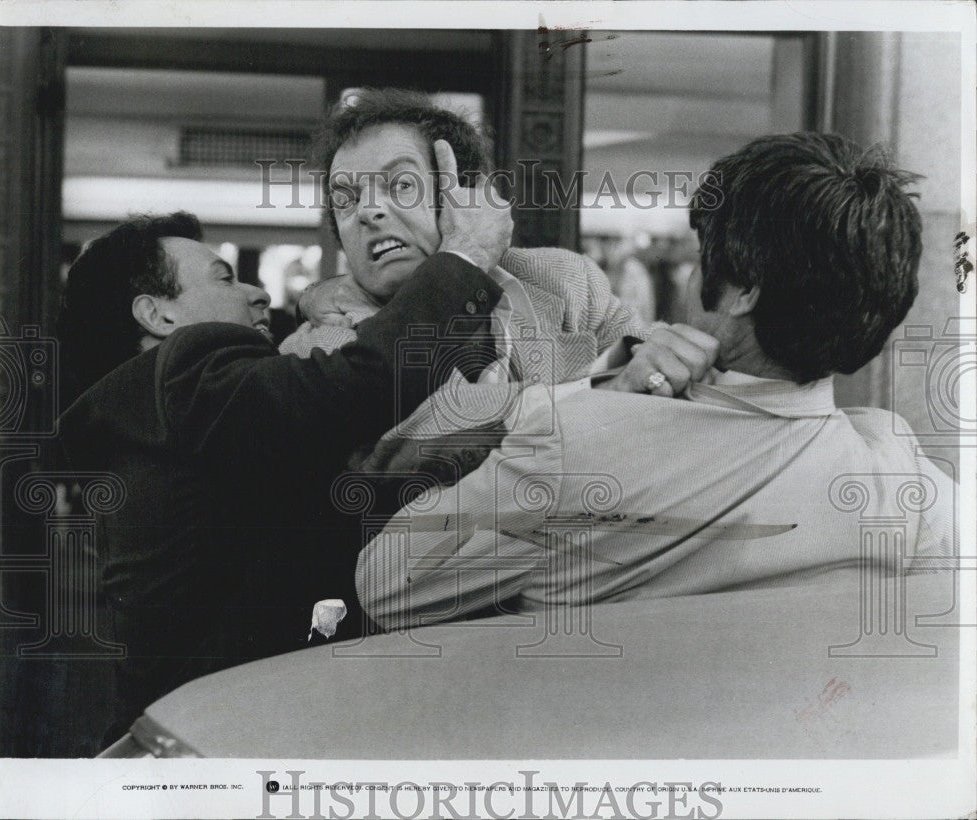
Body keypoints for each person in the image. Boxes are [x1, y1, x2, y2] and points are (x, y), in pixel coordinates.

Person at [356, 132, 956, 631]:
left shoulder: (573, 442)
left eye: (702, 252)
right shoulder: (911, 487)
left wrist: (591, 397)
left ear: (742, 289)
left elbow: (384, 585)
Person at [56, 192, 511, 746]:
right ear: (159, 315)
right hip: (225, 744)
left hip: (197, 738)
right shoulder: (181, 376)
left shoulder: (155, 418)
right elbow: (360, 387)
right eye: (225, 279)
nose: (258, 291)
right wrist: (465, 256)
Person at [280, 89, 647, 458]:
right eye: (346, 199)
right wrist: (605, 391)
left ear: (468, 195)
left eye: (402, 185)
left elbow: (650, 376)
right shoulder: (317, 350)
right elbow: (438, 447)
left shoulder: (567, 280)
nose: (368, 210)